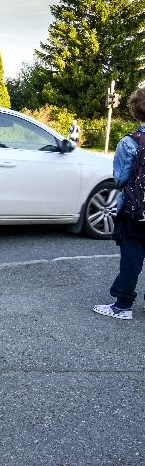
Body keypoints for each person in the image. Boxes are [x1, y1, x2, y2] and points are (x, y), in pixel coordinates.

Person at [93, 86, 145, 320]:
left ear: (135, 111)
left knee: (132, 256)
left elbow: (121, 178)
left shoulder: (129, 142)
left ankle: (122, 305)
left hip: (135, 210)